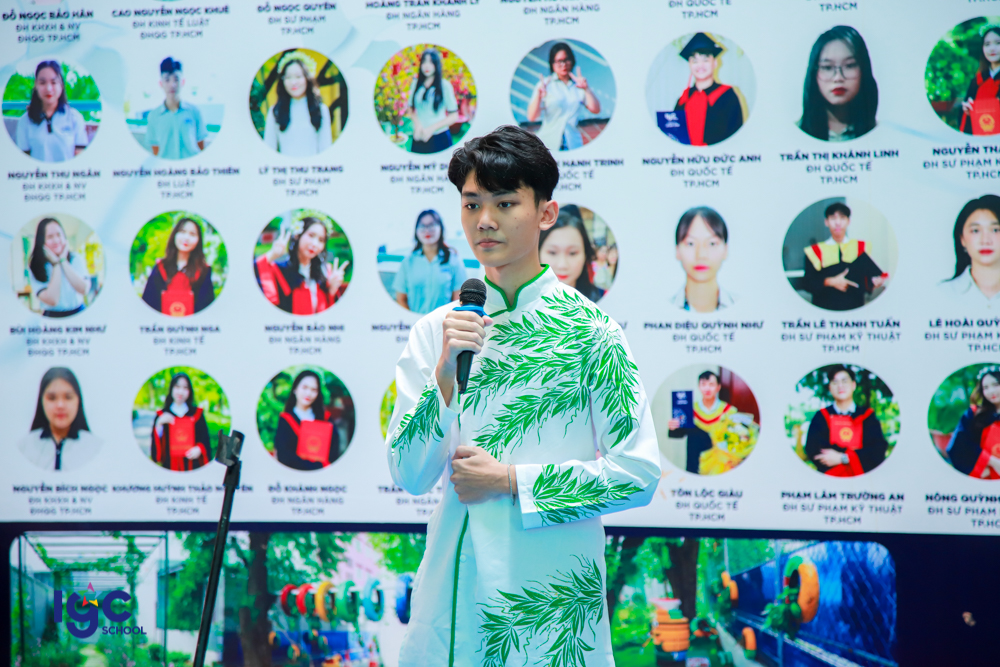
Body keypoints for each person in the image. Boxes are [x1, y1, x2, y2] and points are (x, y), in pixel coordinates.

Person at [385, 126, 659, 666]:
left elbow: (638, 472)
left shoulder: (592, 332)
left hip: (552, 609)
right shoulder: (436, 332)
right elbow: (409, 474)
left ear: (546, 213)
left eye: (505, 203)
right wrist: (444, 376)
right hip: (452, 607)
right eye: (472, 204)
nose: (484, 220)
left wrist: (510, 481)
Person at [804, 365, 888, 476]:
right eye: (835, 382)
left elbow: (877, 451)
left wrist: (843, 458)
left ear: (853, 385)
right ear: (830, 387)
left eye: (844, 381)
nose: (840, 386)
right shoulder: (821, 416)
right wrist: (856, 455)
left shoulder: (867, 416)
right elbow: (813, 449)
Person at [802, 202, 888, 311]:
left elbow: (866, 280)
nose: (838, 223)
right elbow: (807, 284)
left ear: (848, 221)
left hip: (854, 308)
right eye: (833, 218)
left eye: (842, 218)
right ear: (826, 222)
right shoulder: (814, 251)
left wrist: (875, 281)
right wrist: (829, 281)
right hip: (824, 309)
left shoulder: (860, 247)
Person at [254, 216, 350, 315]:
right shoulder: (279, 271)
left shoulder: (325, 273)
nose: (315, 244)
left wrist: (332, 290)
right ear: (297, 235)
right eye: (311, 235)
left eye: (321, 240)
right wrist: (271, 255)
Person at [799, 26, 878, 142]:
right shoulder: (794, 134)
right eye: (827, 67)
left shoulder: (881, 133)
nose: (838, 78)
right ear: (814, 73)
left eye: (849, 65)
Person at [18, 367, 101, 471]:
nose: (60, 405)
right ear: (41, 401)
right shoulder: (24, 446)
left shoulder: (96, 448)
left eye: (68, 397)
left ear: (78, 401)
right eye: (52, 398)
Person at [671, 33, 744, 146]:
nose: (700, 65)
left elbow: (737, 137)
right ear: (690, 65)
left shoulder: (728, 97)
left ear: (715, 63)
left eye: (705, 60)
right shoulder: (682, 100)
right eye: (694, 61)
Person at [526, 41, 601, 151]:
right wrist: (539, 96)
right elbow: (532, 117)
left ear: (572, 61)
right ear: (552, 64)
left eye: (566, 60)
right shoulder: (545, 84)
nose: (563, 64)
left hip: (573, 142)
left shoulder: (579, 84)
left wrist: (587, 89)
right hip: (548, 143)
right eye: (559, 61)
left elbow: (596, 110)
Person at [393, 209, 467, 314]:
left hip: (444, 322)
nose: (427, 230)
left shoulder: (453, 260)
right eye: (422, 226)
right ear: (416, 231)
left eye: (431, 225)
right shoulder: (408, 262)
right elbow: (401, 299)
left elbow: (457, 300)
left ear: (440, 228)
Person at [15, 60, 90, 162]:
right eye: (42, 83)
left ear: (61, 85)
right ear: (36, 86)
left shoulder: (74, 118)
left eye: (54, 82)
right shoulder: (25, 121)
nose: (48, 88)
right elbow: (23, 161)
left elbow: (80, 158)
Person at [140, 217, 215, 316]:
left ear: (198, 240)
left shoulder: (203, 271)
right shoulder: (160, 268)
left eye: (192, 234)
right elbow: (147, 305)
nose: (186, 238)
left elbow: (208, 310)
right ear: (174, 235)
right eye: (182, 232)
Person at [666, 371, 738, 474]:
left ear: (718, 387)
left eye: (711, 384)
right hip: (695, 464)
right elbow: (680, 434)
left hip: (720, 466)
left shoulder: (729, 411)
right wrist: (674, 426)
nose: (707, 388)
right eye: (703, 384)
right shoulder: (690, 410)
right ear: (699, 386)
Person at [263, 51, 332, 156]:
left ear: (307, 78)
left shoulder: (321, 110)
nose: (293, 82)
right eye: (288, 77)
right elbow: (268, 152)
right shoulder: (275, 111)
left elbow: (326, 151)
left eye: (298, 77)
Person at [671, 207, 735, 312]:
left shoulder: (744, 308)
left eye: (712, 243)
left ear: (725, 250)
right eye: (691, 243)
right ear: (677, 250)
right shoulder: (661, 311)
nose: (701, 255)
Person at [940, 195, 1000, 307]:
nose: (985, 240)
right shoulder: (941, 294)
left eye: (995, 230)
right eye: (975, 231)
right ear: (962, 239)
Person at [273, 370, 340, 470]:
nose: (308, 393)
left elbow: (334, 451)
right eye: (304, 388)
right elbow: (284, 456)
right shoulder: (286, 420)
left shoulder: (325, 419)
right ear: (295, 389)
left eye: (314, 390)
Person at [27, 217, 92, 318]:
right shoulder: (36, 266)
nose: (56, 240)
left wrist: (63, 261)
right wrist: (56, 264)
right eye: (50, 237)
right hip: (52, 317)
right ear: (41, 241)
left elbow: (84, 290)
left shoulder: (75, 258)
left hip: (79, 312)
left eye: (59, 235)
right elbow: (53, 300)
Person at [538, 204, 605, 301]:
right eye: (552, 252)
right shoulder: (522, 301)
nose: (562, 265)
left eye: (572, 253)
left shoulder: (602, 298)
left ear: (585, 254)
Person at [145, 57, 207, 159]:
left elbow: (200, 147)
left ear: (183, 82)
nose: (172, 85)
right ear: (161, 83)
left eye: (176, 79)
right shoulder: (153, 116)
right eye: (167, 80)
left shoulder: (195, 112)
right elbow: (156, 150)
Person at [946, 366, 1000, 479]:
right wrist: (992, 462)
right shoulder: (974, 413)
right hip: (981, 476)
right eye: (985, 387)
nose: (991, 391)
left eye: (996, 385)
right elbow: (959, 444)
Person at [150, 372, 211, 471]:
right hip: (169, 467)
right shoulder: (162, 415)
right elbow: (156, 452)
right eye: (177, 387)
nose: (181, 392)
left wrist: (200, 449)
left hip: (192, 467)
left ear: (190, 391)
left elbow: (205, 439)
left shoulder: (197, 414)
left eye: (185, 388)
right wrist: (159, 425)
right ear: (171, 389)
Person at [406, 48, 460, 154]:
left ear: (436, 64)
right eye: (424, 62)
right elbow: (410, 109)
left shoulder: (444, 85)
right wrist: (418, 125)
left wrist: (431, 129)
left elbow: (454, 116)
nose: (427, 66)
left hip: (440, 137)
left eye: (431, 62)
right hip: (420, 135)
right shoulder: (415, 84)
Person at [960, 26, 1000, 135]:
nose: (992, 48)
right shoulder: (977, 81)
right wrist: (968, 112)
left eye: (998, 43)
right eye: (987, 44)